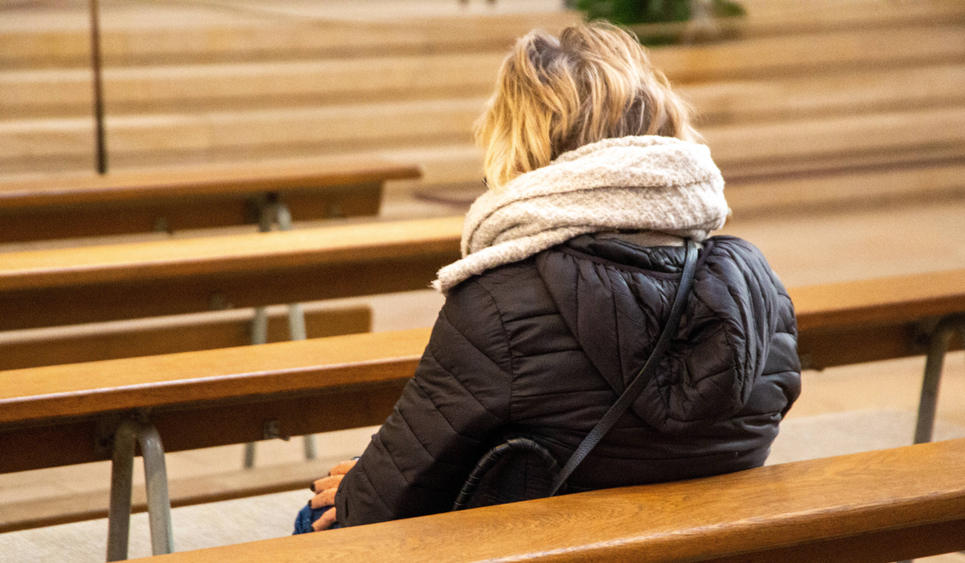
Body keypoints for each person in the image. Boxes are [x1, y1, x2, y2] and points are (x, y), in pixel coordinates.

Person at [297, 21, 801, 533]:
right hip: (715, 541)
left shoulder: (500, 300)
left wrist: (362, 486)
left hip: (553, 546)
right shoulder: (753, 282)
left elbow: (386, 499)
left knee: (316, 518)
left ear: (520, 138)